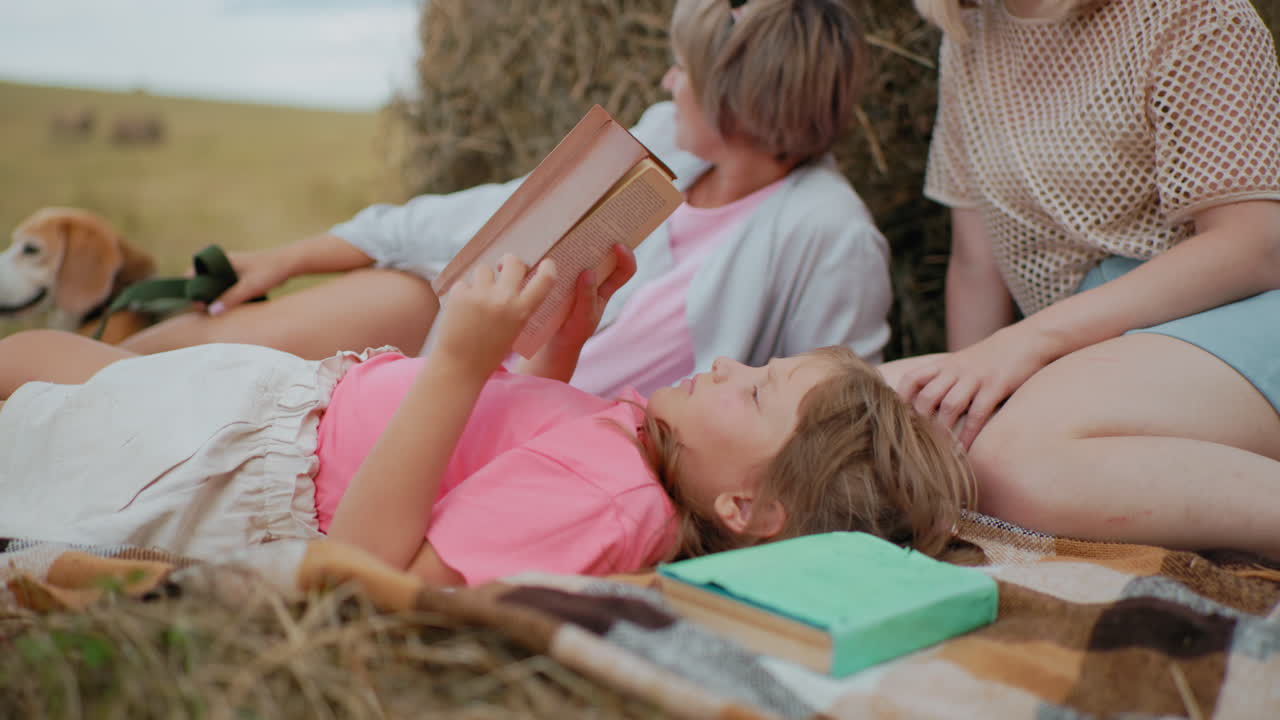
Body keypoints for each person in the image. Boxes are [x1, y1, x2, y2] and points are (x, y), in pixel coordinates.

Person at [0, 255, 973, 586]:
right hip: (272, 408)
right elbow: (505, 453)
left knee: (27, 384)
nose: (728, 366)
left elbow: (376, 563)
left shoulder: (614, 501)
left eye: (755, 392)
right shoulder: (636, 451)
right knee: (35, 364)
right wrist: (563, 346)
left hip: (239, 459)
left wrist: (462, 359)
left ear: (747, 508)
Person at [118, 0, 893, 399]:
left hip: (551, 425)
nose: (666, 83)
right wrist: (295, 255)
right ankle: (76, 373)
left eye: (683, 70)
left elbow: (831, 416)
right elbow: (490, 215)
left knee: (254, 395)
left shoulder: (829, 235)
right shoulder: (667, 140)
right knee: (221, 350)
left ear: (740, 99)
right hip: (475, 351)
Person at [893, 0, 1280, 559]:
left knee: (1009, 465)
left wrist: (1026, 341)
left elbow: (1254, 246)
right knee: (848, 409)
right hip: (1082, 348)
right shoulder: (969, 33)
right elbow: (976, 261)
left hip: (1228, 318)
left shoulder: (1192, 12)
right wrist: (963, 407)